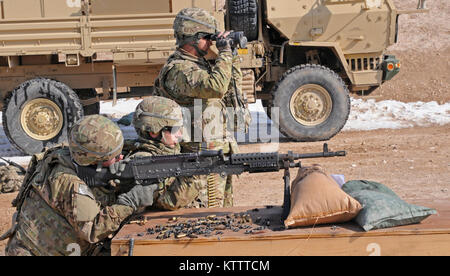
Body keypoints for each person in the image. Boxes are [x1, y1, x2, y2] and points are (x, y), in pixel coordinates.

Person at [2, 115, 156, 256]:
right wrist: (130, 202)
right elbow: (94, 230)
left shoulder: (70, 155)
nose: (121, 157)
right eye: (114, 157)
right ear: (95, 161)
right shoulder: (68, 181)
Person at [154, 7, 250, 208]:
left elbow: (229, 88)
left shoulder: (199, 65)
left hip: (217, 155)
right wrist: (223, 52)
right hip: (197, 163)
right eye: (208, 37)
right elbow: (216, 87)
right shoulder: (179, 70)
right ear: (192, 38)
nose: (211, 42)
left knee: (224, 215)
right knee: (204, 218)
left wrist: (231, 55)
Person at [122, 96, 208, 210]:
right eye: (175, 129)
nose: (180, 134)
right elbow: (169, 201)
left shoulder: (169, 151)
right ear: (154, 132)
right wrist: (196, 174)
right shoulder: (143, 161)